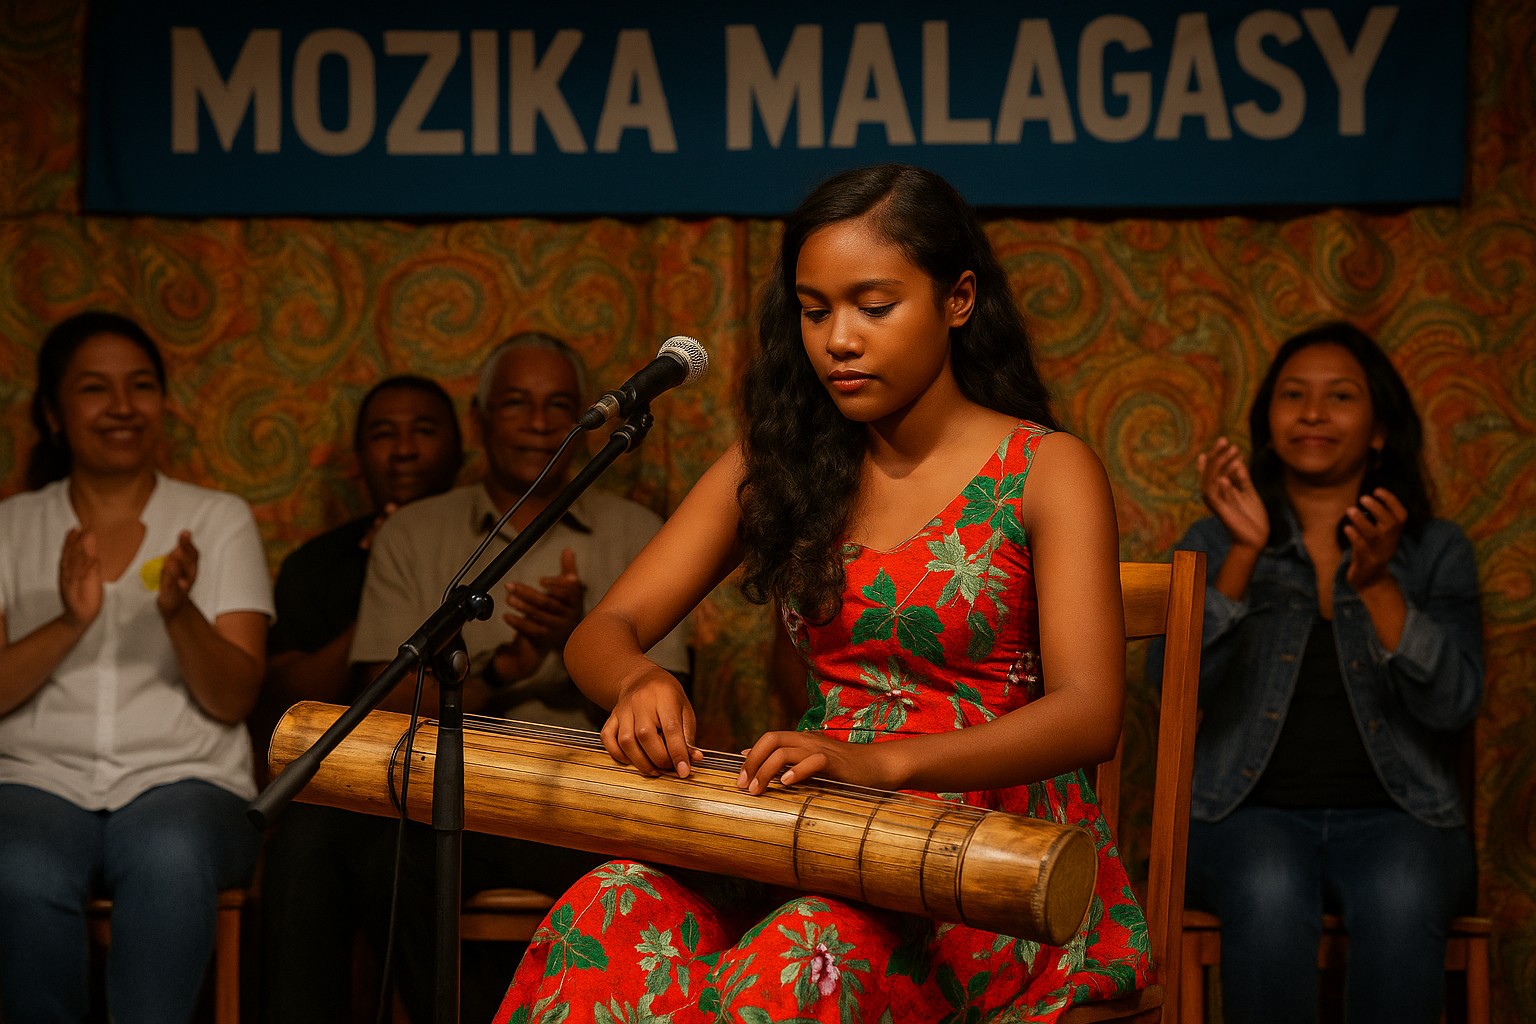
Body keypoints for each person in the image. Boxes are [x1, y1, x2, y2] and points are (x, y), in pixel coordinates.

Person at [494, 164, 1153, 1023]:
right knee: (612, 904)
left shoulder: (1044, 468)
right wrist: (634, 680)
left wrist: (883, 762)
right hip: (814, 830)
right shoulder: (780, 462)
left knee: (803, 955)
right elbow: (606, 627)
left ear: (957, 300)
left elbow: (1087, 711)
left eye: (873, 308)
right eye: (814, 311)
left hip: (989, 862)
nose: (839, 339)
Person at [348, 331, 693, 1022]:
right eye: (516, 405)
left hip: (583, 800)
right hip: (451, 792)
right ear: (479, 421)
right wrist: (510, 666)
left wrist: (578, 645)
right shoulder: (414, 533)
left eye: (559, 405)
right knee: (363, 847)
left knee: (656, 869)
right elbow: (378, 713)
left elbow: (677, 719)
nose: (540, 425)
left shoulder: (640, 532)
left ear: (589, 417)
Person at [1154, 322, 1483, 1024]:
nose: (1312, 413)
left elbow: (1456, 704)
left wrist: (1381, 585)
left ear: (1379, 430)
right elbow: (1173, 690)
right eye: (1293, 396)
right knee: (1269, 891)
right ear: (1268, 423)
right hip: (1243, 817)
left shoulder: (1436, 550)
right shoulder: (1211, 539)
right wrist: (1243, 553)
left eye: (1340, 397)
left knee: (1401, 895)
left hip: (1406, 818)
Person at [0, 311, 273, 1024]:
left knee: (170, 853)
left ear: (162, 403)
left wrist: (180, 611)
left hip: (188, 782)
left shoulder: (217, 519)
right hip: (34, 779)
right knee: (17, 866)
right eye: (95, 389)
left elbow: (235, 696)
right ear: (55, 414)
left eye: (141, 386)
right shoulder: (11, 526)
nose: (122, 407)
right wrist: (70, 621)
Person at [257, 374, 462, 1024]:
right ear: (359, 458)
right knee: (304, 844)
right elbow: (291, 696)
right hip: (354, 782)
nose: (403, 450)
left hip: (449, 773)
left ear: (460, 448)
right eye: (384, 434)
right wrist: (380, 594)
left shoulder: (481, 541)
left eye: (423, 432)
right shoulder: (320, 563)